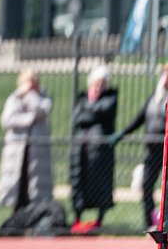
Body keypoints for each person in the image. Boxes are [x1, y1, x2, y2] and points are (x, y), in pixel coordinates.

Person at [111, 62, 168, 230]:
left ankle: (165, 224)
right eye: (164, 73)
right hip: (152, 150)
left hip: (166, 150)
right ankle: (150, 223)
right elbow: (139, 119)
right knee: (147, 184)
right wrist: (121, 134)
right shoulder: (155, 97)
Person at [68, 65, 118, 234]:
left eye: (102, 83)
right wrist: (92, 110)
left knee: (101, 183)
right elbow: (77, 117)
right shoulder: (82, 98)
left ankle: (99, 219)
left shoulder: (111, 97)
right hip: (81, 150)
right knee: (78, 181)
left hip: (100, 151)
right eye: (96, 83)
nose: (98, 87)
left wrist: (89, 109)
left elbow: (103, 111)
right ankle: (77, 219)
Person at [0, 69, 55, 212]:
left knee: (35, 189)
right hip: (17, 151)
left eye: (34, 83)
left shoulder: (44, 97)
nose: (31, 86)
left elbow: (42, 110)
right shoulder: (14, 98)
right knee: (17, 186)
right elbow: (7, 120)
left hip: (36, 153)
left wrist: (31, 96)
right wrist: (28, 118)